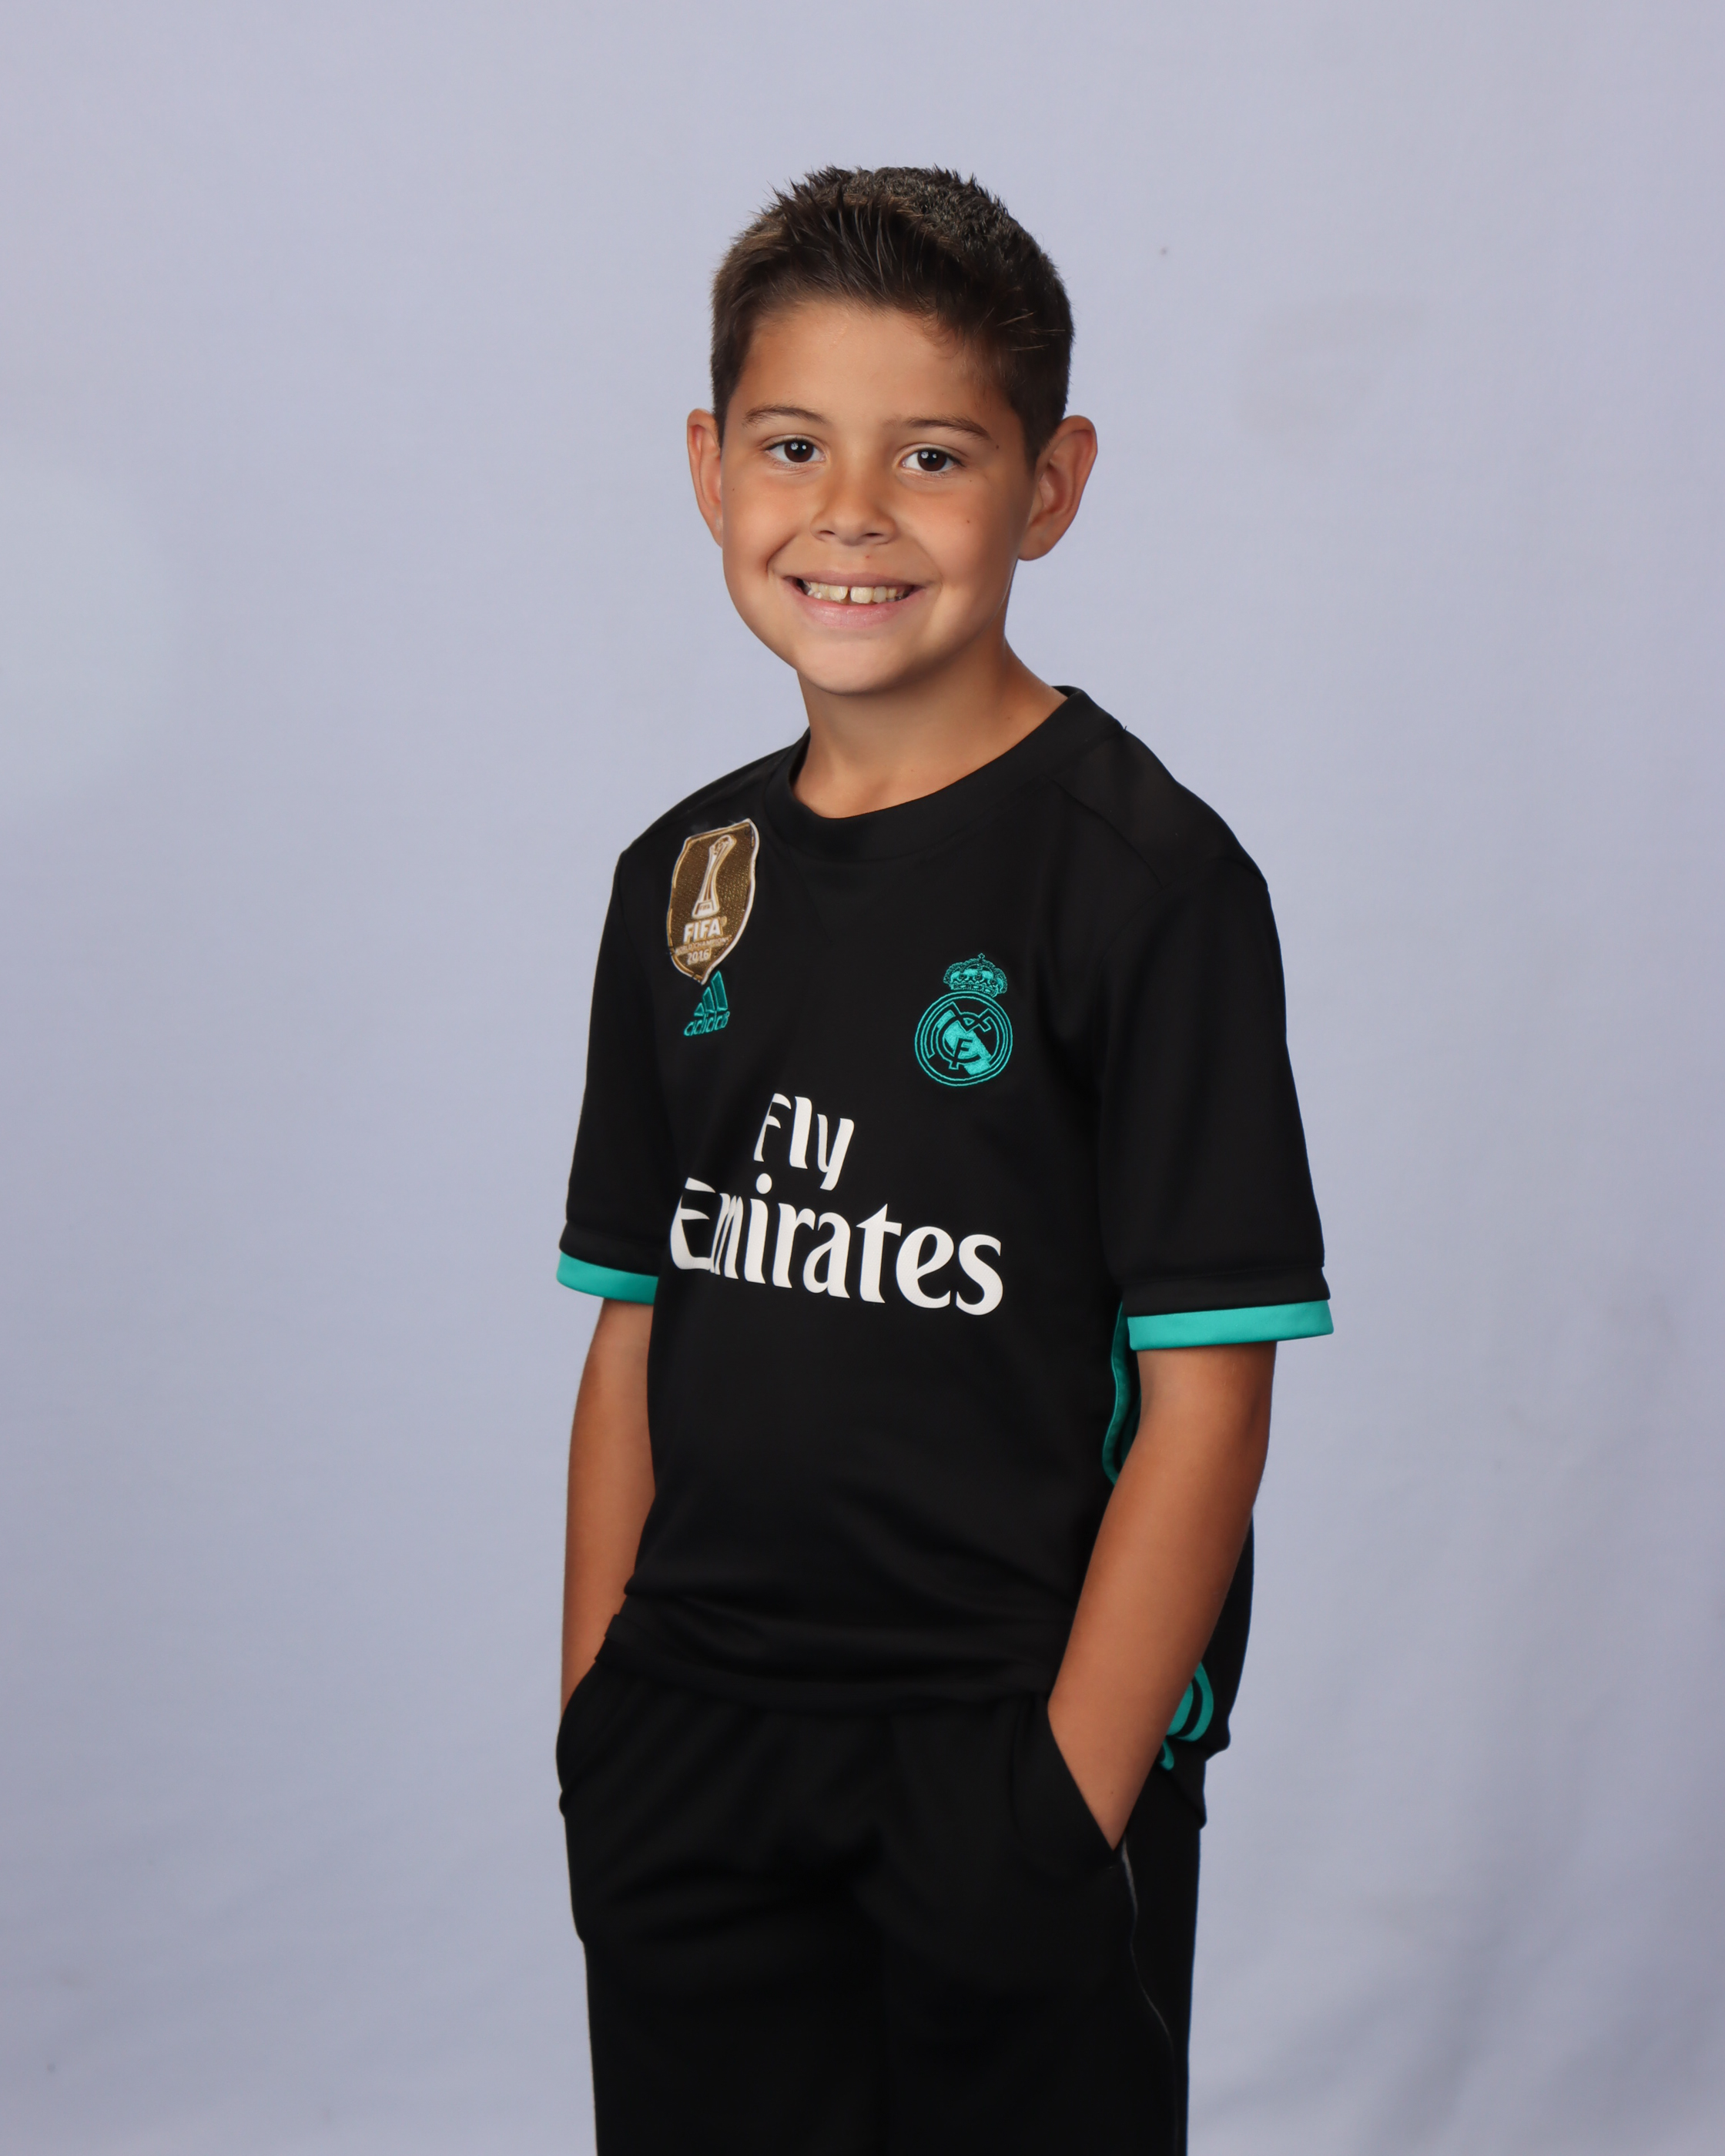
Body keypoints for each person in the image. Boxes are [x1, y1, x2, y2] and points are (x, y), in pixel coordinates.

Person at [553, 166, 1331, 2156]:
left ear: (1049, 486)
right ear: (709, 467)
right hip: (694, 1758)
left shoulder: (1147, 885)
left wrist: (1062, 1807)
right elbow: (636, 1328)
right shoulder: (683, 882)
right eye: (793, 445)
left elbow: (1209, 1395)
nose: (852, 513)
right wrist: (599, 1728)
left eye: (933, 455)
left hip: (999, 1757)